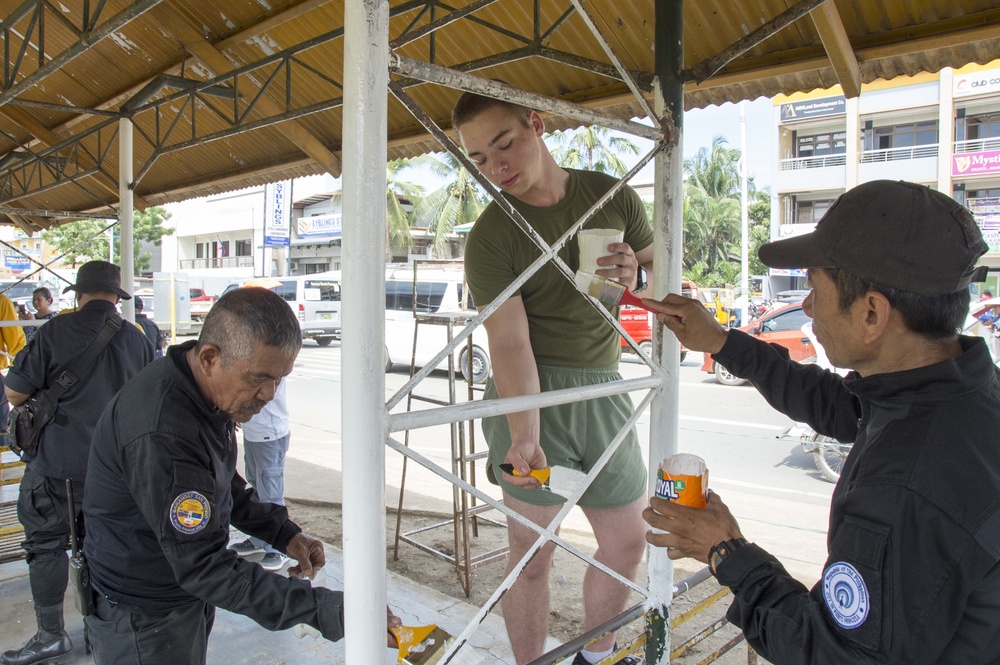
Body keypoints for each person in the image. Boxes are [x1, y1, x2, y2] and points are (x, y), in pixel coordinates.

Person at [641, 180, 1000, 663]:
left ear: (871, 313)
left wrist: (726, 552)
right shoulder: (957, 394)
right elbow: (843, 406)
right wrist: (724, 343)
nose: (807, 305)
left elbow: (834, 653)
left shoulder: (907, 485)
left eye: (814, 287)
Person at [81, 286, 399, 664]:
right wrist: (332, 610)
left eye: (279, 379)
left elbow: (215, 481)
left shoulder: (198, 389)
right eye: (258, 378)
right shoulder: (162, 429)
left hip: (176, 592)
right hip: (143, 612)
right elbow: (204, 566)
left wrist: (283, 533)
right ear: (211, 357)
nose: (268, 394)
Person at [452, 93, 653, 665]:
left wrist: (637, 270)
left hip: (605, 387)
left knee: (626, 541)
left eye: (504, 144)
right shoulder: (491, 235)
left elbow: (663, 269)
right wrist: (524, 434)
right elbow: (510, 342)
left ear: (536, 124)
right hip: (532, 397)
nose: (497, 167)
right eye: (480, 159)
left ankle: (597, 654)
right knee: (532, 555)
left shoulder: (610, 194)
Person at [2, 261, 151, 665]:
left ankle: (51, 635)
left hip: (55, 468)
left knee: (46, 545)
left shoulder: (54, 331)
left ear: (78, 294)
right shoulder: (136, 339)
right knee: (104, 547)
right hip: (116, 471)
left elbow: (14, 393)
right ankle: (100, 632)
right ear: (116, 297)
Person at [229, 376, 292, 570]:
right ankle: (259, 539)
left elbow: (264, 392)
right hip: (253, 433)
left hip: (270, 434)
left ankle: (281, 548)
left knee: (271, 494)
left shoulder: (273, 367)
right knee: (255, 485)